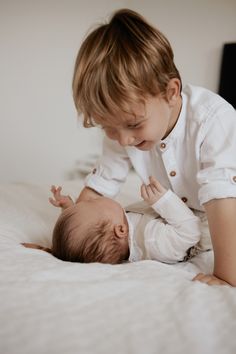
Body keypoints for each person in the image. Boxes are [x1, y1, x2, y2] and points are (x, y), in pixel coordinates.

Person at [72, 9, 236, 286]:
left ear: (171, 93)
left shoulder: (213, 119)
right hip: (187, 220)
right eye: (108, 128)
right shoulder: (121, 129)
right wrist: (68, 240)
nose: (123, 140)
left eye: (133, 125)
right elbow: (100, 187)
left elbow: (222, 198)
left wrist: (226, 275)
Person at [23, 177, 210, 265]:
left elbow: (82, 232)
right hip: (209, 218)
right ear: (120, 230)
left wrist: (68, 208)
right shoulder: (154, 242)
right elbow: (190, 232)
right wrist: (164, 201)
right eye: (93, 202)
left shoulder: (118, 227)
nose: (91, 199)